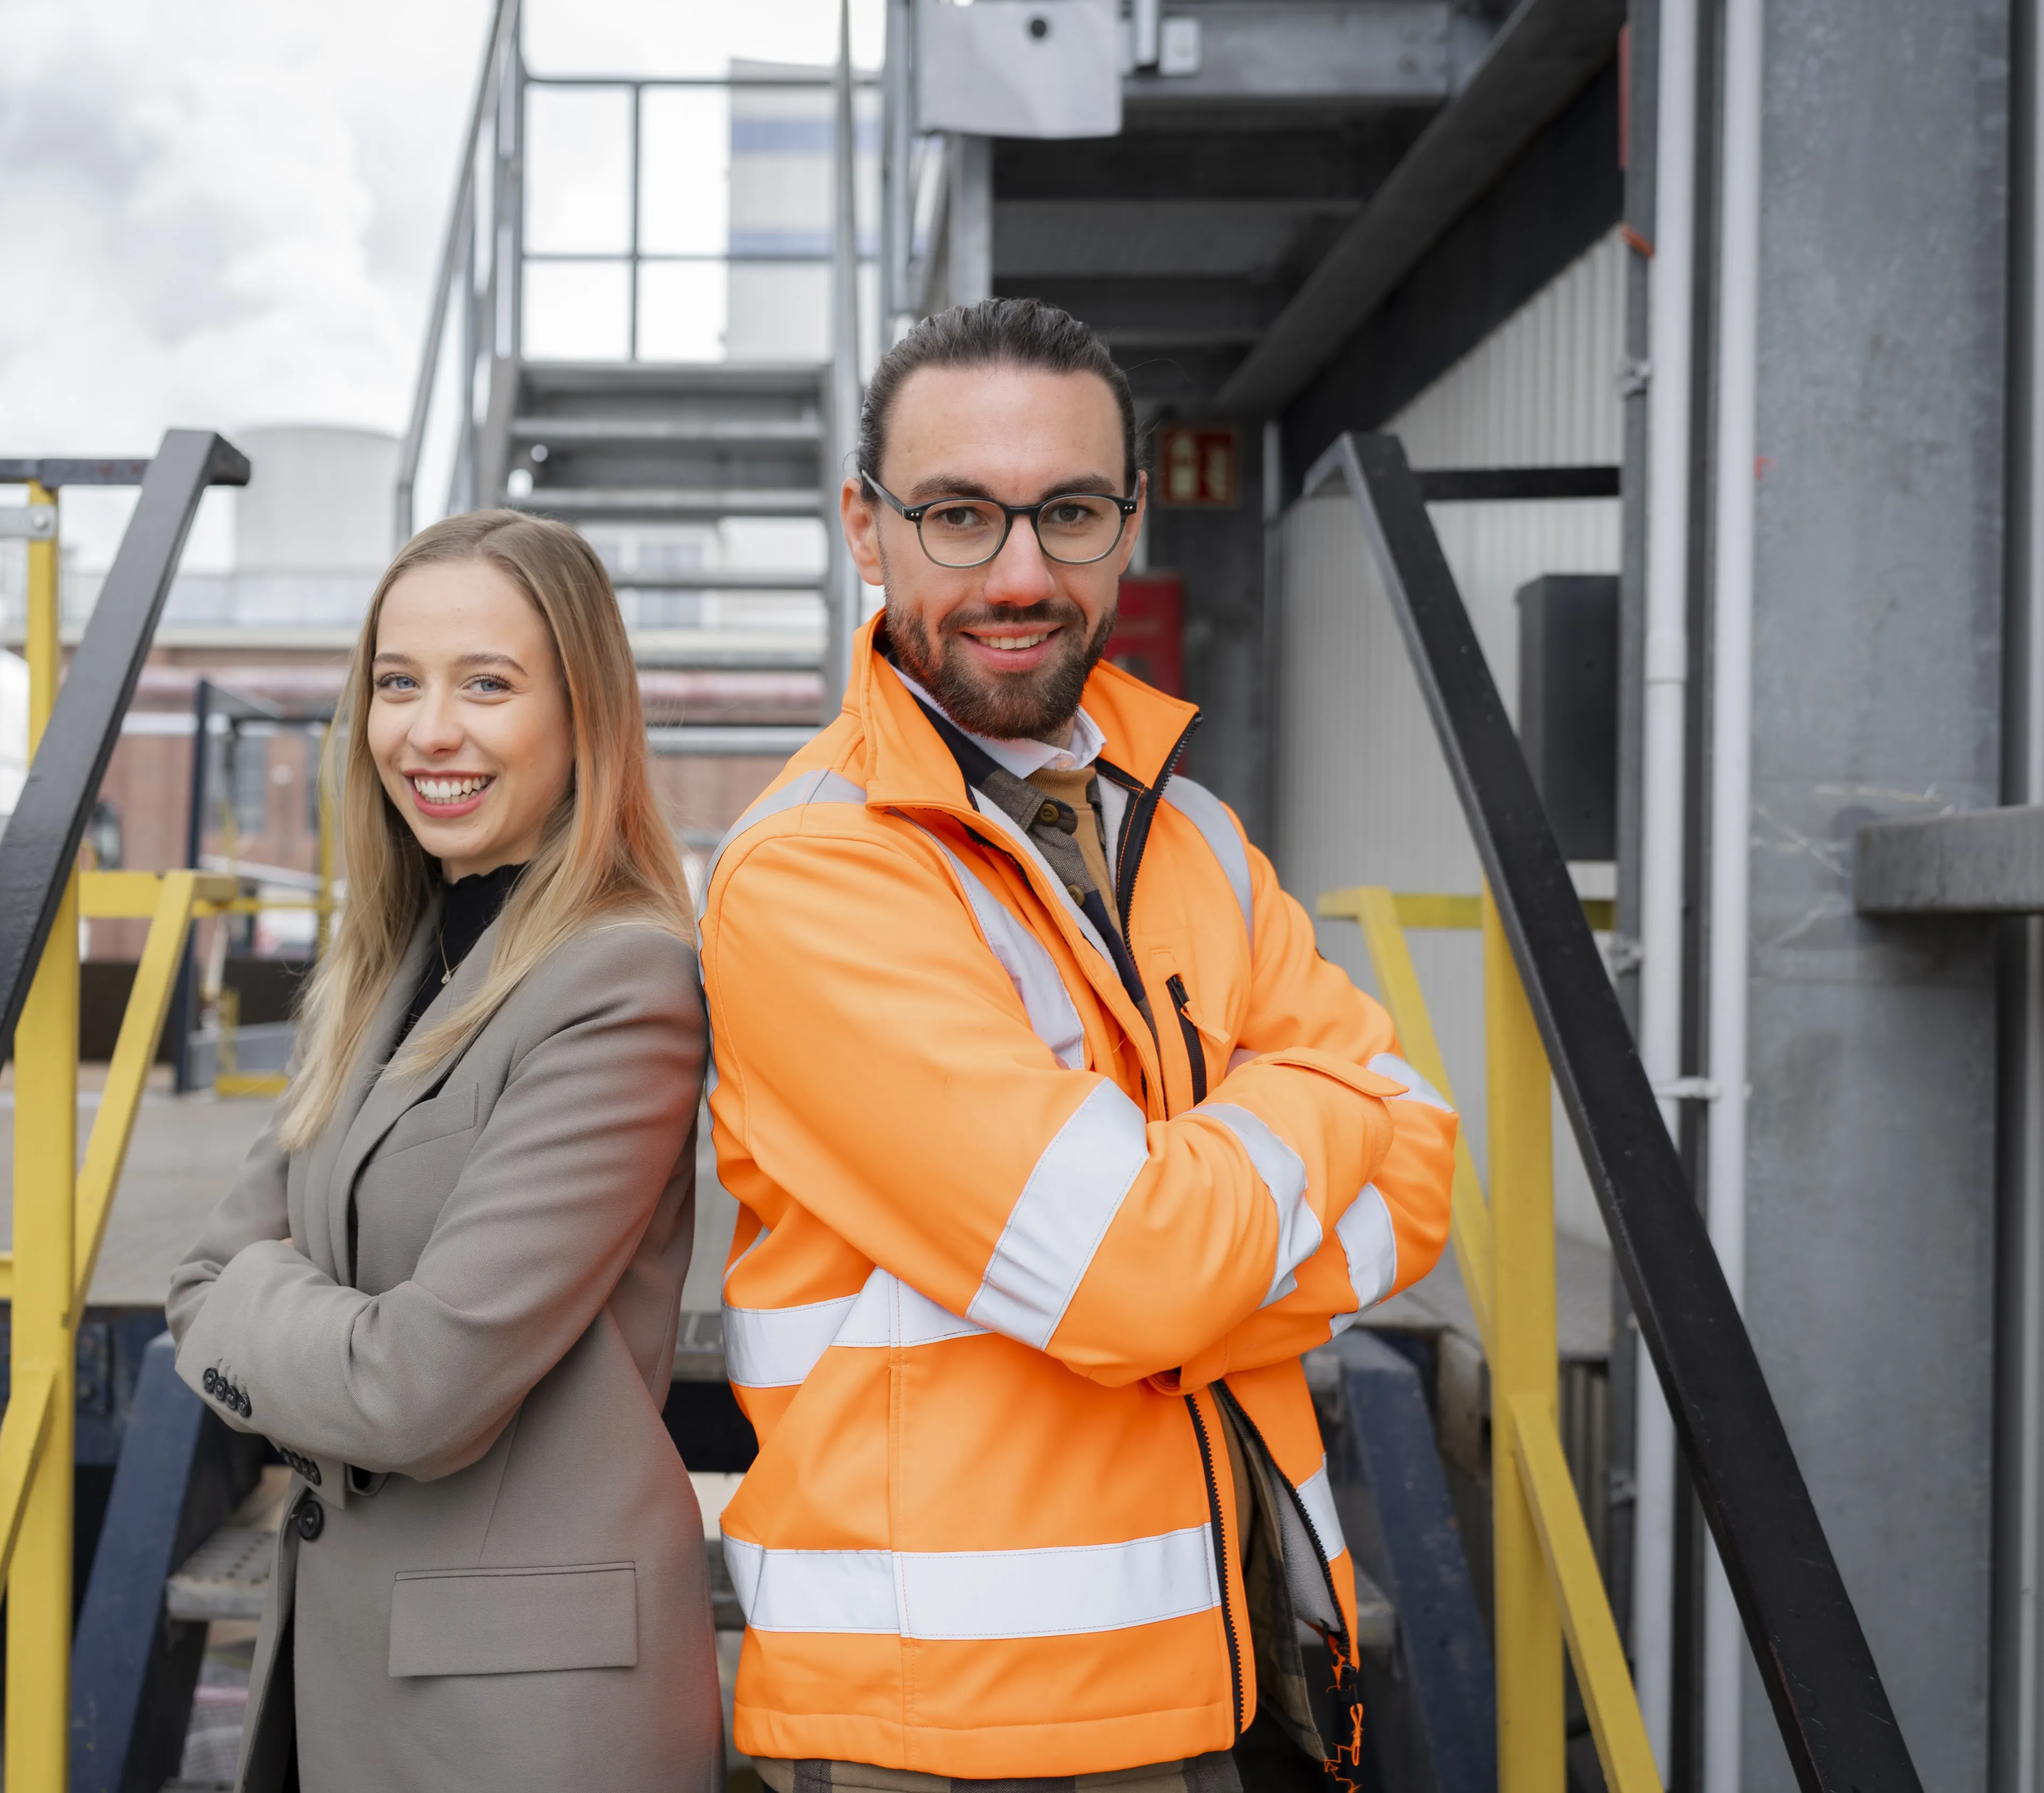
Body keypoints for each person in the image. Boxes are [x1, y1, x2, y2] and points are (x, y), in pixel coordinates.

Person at [699, 297, 1459, 1789]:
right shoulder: (818, 871)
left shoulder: (1194, 832)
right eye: (961, 515)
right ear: (868, 526)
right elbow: (1141, 1271)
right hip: (965, 1725)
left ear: (1132, 525)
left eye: (1069, 512)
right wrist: (1304, 1110)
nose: (1022, 572)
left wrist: (1195, 1250)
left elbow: (1422, 1151)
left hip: (1242, 1661)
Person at [168, 510, 722, 1792]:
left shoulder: (623, 982)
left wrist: (260, 1306)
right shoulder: (393, 964)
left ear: (583, 715)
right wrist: (271, 1308)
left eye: (488, 683)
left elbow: (417, 1388)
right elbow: (200, 1273)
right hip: (358, 1661)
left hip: (525, 1717)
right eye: (398, 681)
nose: (430, 730)